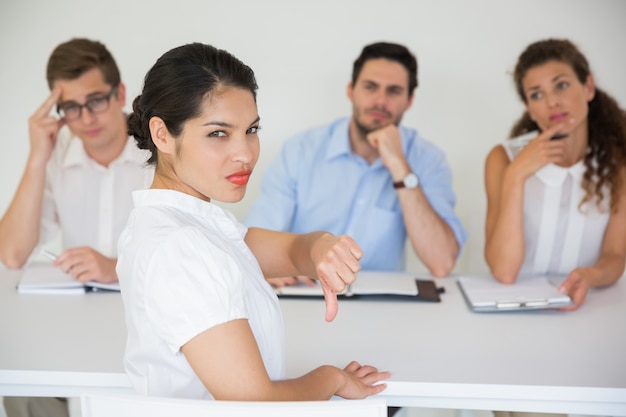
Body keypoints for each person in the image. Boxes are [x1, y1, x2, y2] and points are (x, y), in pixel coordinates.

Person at [117, 42, 390, 403]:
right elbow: (253, 401)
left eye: (252, 129)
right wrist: (332, 378)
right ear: (162, 134)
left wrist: (321, 247)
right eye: (218, 133)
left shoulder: (190, 223)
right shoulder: (178, 245)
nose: (245, 153)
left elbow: (290, 252)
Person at [0, 38, 152, 417]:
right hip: (76, 327)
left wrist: (115, 267)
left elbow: (190, 252)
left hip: (145, 324)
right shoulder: (58, 154)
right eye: (71, 107)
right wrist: (37, 158)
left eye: (96, 100)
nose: (86, 119)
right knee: (21, 386)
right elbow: (12, 252)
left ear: (119, 94)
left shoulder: (158, 151)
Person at [244, 42, 466, 288]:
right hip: (306, 295)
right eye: (370, 87)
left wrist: (400, 167)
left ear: (409, 100)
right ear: (351, 90)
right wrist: (271, 267)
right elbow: (251, 244)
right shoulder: (301, 151)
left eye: (394, 91)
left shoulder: (428, 160)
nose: (380, 101)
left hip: (381, 306)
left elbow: (442, 262)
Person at [484, 40, 626, 310]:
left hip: (587, 309)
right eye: (537, 95)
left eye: (561, 85)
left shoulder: (618, 164)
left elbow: (615, 255)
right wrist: (516, 176)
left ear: (588, 87)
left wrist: (590, 276)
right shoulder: (503, 159)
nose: (552, 102)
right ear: (529, 108)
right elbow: (504, 271)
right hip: (513, 308)